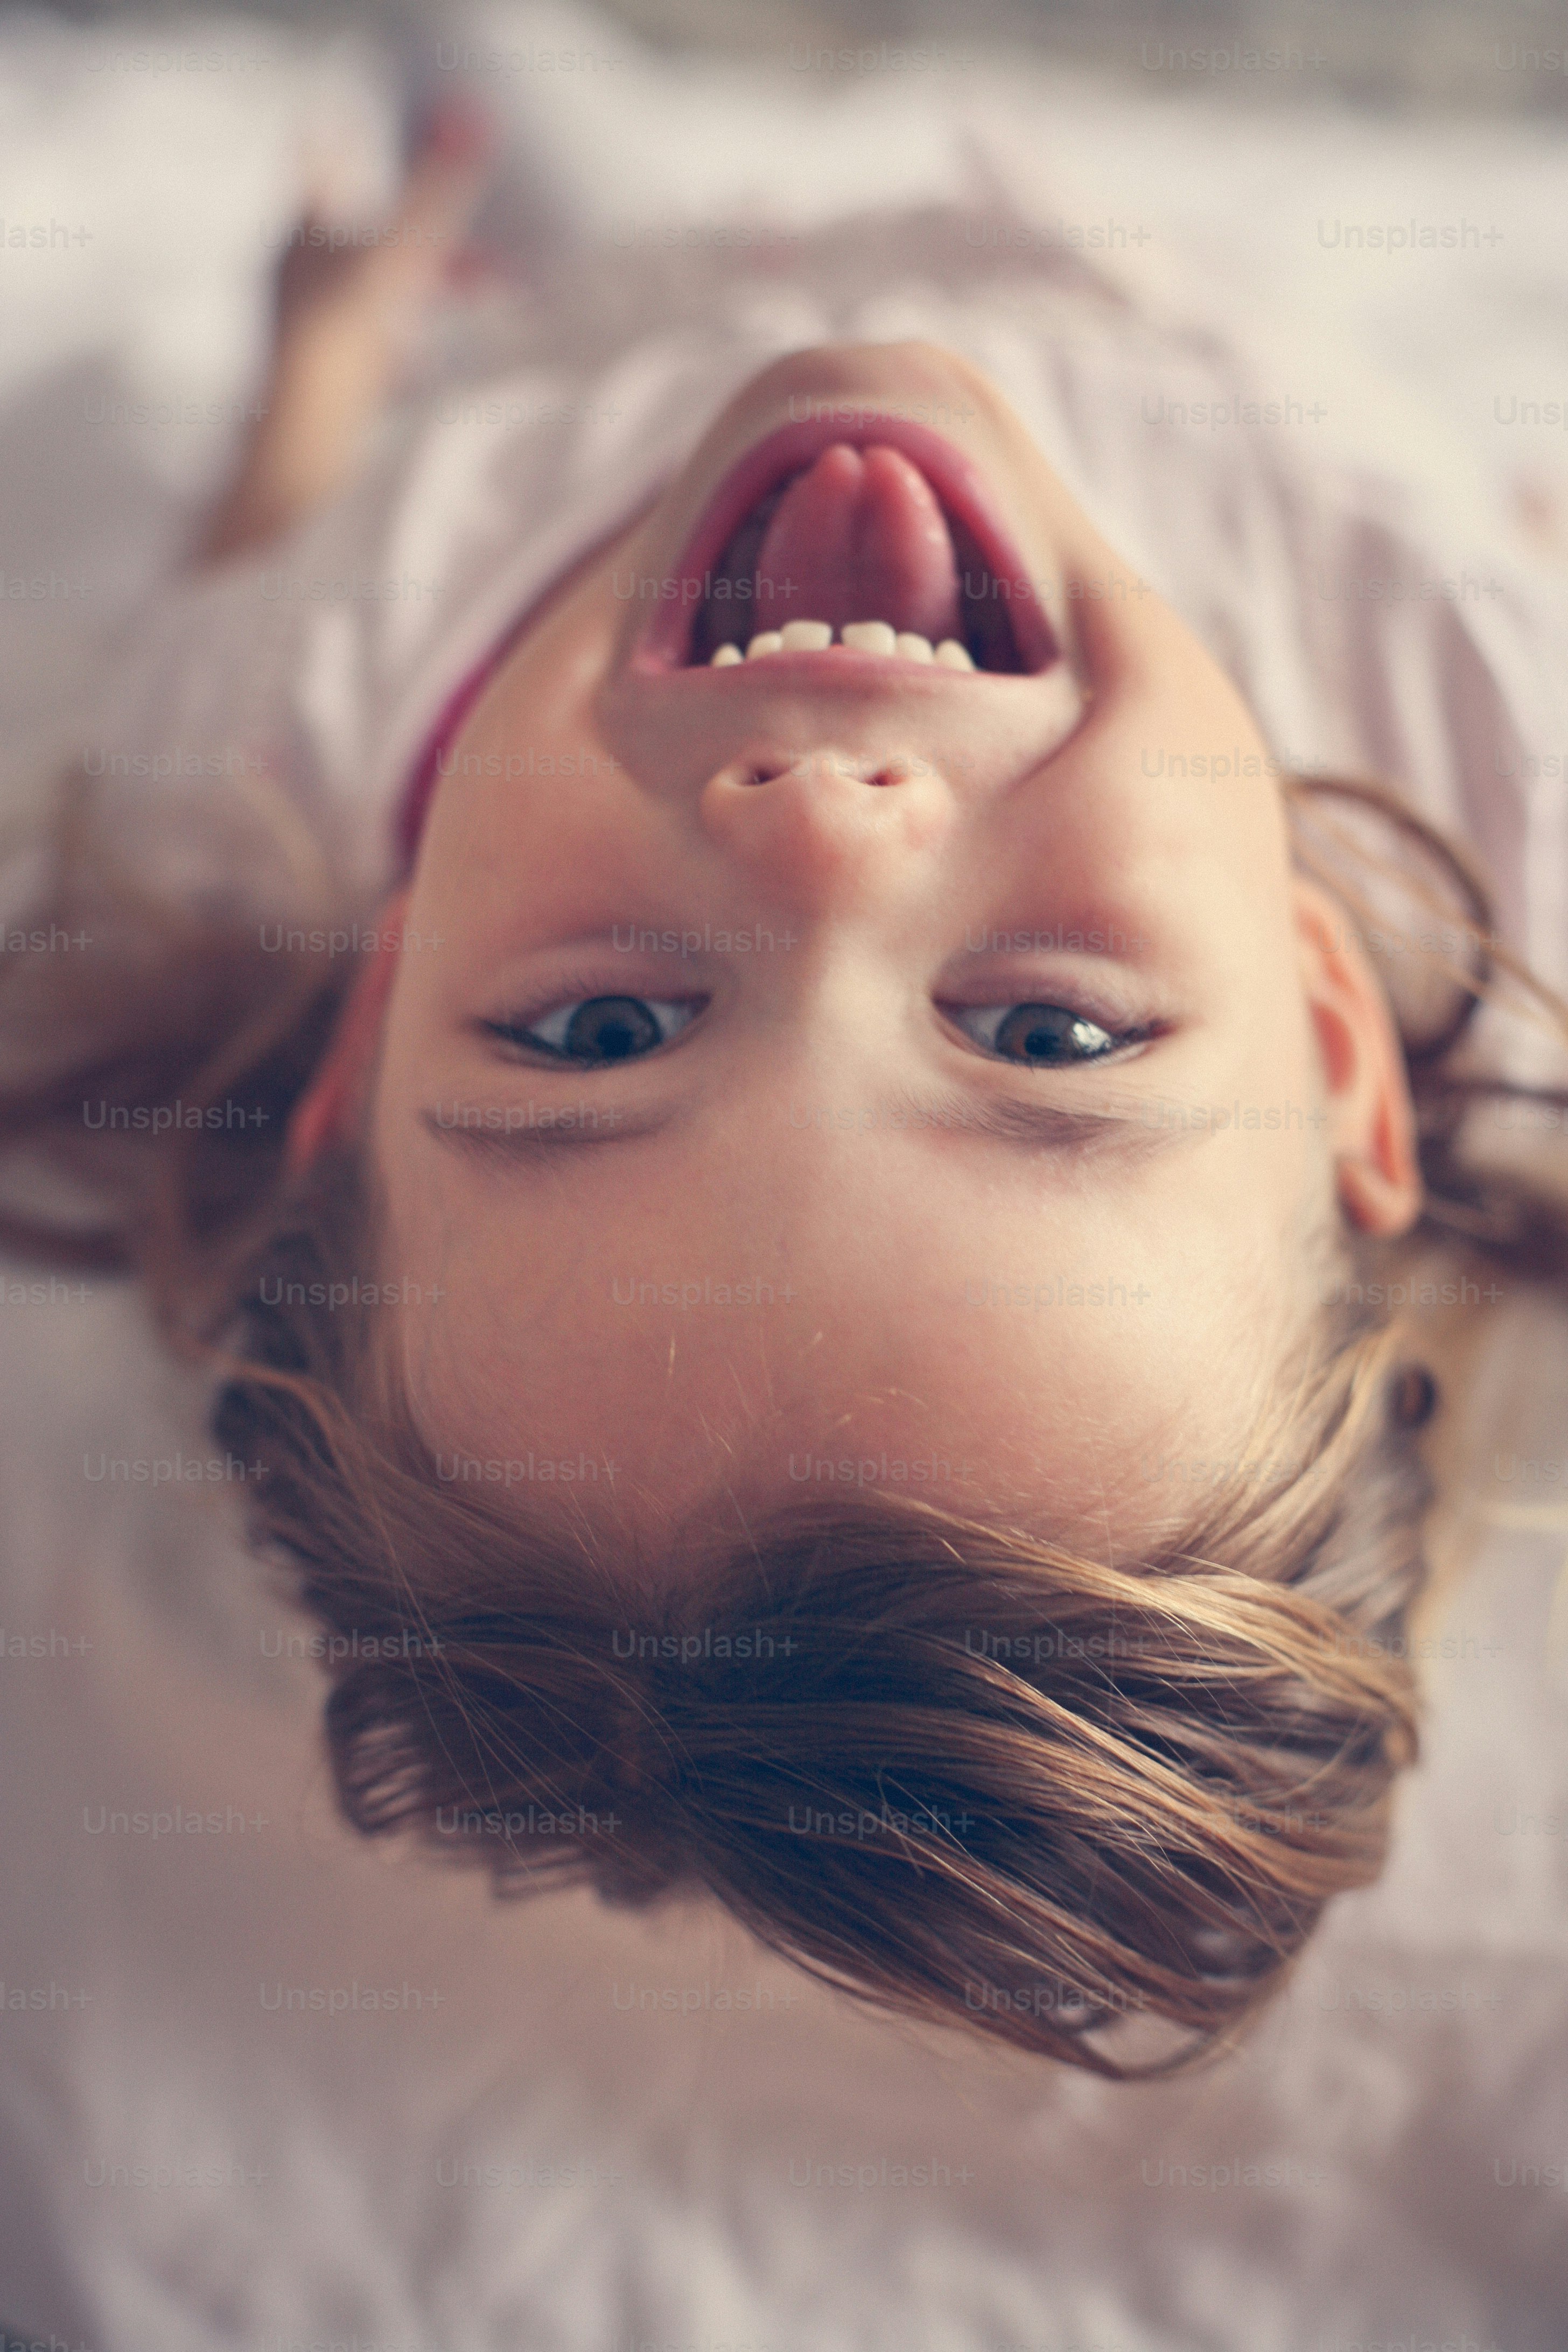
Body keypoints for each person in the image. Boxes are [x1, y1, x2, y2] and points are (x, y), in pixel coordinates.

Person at [3, 99, 1565, 2091]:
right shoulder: (1479, 724)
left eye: (599, 1032)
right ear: (1335, 1032)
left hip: (604, 325)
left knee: (497, 98)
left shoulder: (266, 750)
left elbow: (255, 544)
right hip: (1145, 300)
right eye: (1052, 1039)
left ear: (370, 1017)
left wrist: (323, 348)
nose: (824, 836)